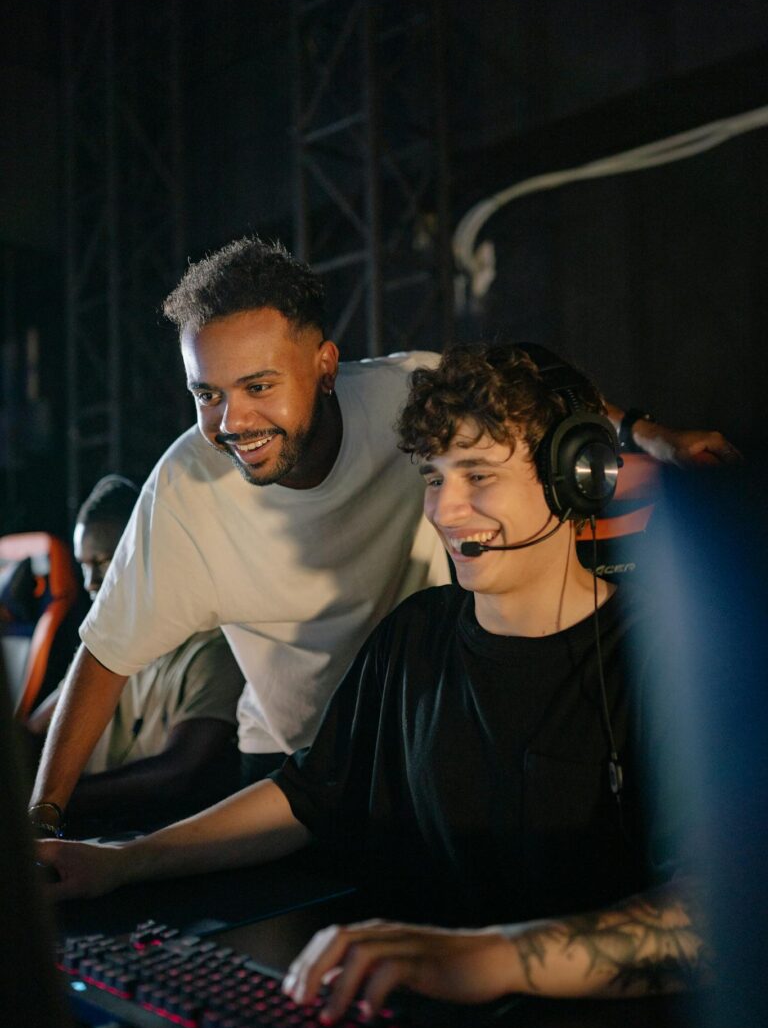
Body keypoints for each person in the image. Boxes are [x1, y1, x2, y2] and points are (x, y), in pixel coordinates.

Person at [38, 343, 711, 1020]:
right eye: (432, 477)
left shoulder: (660, 661)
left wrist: (489, 957)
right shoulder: (415, 635)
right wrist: (123, 861)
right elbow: (308, 795)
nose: (446, 511)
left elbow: (718, 916)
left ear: (577, 477)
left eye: (477, 476)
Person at [29, 236, 738, 833]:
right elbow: (106, 652)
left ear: (326, 366)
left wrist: (653, 434)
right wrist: (42, 821)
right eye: (206, 394)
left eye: (258, 386)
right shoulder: (184, 489)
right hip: (294, 759)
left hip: (428, 734)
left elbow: (532, 396)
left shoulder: (408, 395)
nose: (230, 421)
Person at [27, 475, 244, 828]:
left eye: (102, 562)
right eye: (83, 565)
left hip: (156, 848)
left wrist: (52, 803)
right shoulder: (104, 647)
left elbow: (180, 773)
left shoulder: (213, 648)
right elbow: (35, 731)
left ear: (147, 555)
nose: (89, 582)